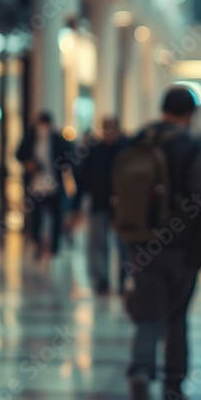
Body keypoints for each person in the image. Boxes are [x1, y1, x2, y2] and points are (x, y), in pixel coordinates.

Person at [119, 87, 201, 400]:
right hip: (181, 248)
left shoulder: (138, 141)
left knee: (147, 313)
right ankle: (172, 391)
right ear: (190, 114)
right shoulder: (190, 147)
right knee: (176, 317)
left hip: (140, 243)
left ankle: (140, 371)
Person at [76, 116, 130, 295]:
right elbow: (83, 178)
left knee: (123, 245)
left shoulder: (127, 147)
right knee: (97, 244)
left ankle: (124, 278)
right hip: (99, 204)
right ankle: (101, 281)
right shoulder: (94, 150)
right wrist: (76, 206)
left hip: (123, 206)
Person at [16, 112, 74, 259]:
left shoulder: (56, 139)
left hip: (53, 185)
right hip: (36, 186)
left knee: (56, 217)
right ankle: (37, 244)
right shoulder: (31, 138)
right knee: (36, 218)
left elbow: (68, 158)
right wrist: (29, 164)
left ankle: (54, 248)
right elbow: (19, 154)